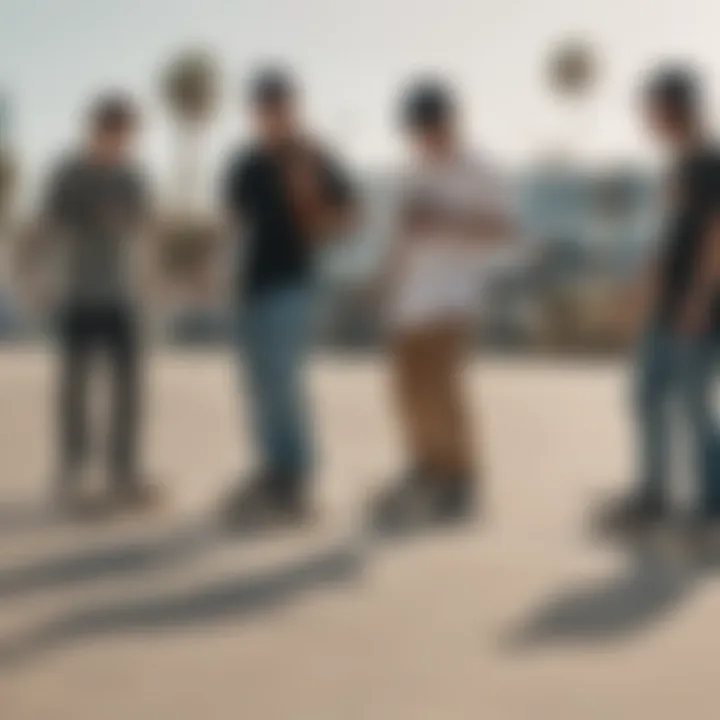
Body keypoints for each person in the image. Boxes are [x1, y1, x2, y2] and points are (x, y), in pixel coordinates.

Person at [370, 78, 517, 531]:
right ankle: (425, 468)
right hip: (410, 300)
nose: (424, 139)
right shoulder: (414, 171)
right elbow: (402, 233)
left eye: (430, 128)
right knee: (406, 390)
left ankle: (460, 478)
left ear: (449, 122)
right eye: (416, 131)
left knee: (443, 389)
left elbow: (500, 230)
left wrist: (444, 222)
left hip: (454, 298)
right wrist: (386, 283)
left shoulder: (480, 169)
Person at [221, 67, 356, 528]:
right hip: (251, 285)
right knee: (258, 384)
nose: (271, 115)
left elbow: (347, 218)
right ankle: (272, 469)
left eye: (279, 106)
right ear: (255, 113)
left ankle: (297, 476)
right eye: (263, 108)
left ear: (293, 108)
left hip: (293, 282)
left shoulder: (315, 157)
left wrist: (307, 194)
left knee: (283, 380)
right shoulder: (247, 163)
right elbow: (234, 224)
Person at [608, 66, 720, 534]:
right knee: (647, 397)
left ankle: (709, 508)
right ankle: (653, 496)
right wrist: (641, 292)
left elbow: (716, 235)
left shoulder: (711, 163)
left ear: (675, 108)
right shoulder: (680, 165)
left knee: (692, 406)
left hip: (698, 305)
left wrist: (698, 300)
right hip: (667, 304)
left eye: (653, 111)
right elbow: (672, 236)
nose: (648, 121)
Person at [43, 92, 156, 516]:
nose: (119, 140)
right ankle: (74, 467)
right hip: (78, 292)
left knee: (129, 387)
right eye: (112, 130)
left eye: (125, 132)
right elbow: (54, 218)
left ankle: (122, 470)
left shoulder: (134, 177)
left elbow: (143, 223)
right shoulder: (69, 173)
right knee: (74, 385)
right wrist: (92, 216)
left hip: (123, 295)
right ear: (96, 129)